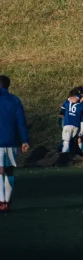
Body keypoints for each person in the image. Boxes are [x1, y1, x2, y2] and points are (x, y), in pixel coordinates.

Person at [0, 75, 29, 212]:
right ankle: (7, 201)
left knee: (0, 171)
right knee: (10, 170)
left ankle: (1, 201)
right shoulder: (15, 100)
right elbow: (21, 121)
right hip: (12, 140)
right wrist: (24, 140)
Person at [59, 89, 83, 154]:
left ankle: (65, 156)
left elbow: (61, 112)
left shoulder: (67, 103)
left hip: (67, 125)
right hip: (76, 126)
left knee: (66, 142)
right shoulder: (81, 105)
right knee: (78, 140)